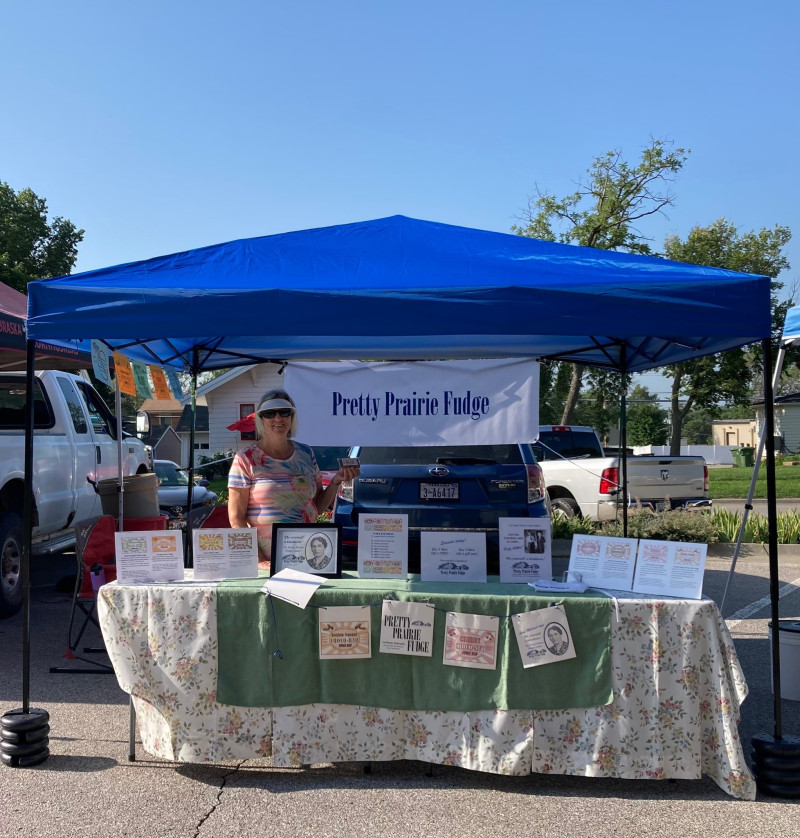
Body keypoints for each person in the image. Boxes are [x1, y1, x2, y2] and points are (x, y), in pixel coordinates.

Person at [227, 388, 360, 570]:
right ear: (260, 419)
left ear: (292, 417)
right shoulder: (245, 458)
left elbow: (316, 506)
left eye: (284, 412)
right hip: (265, 563)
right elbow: (236, 518)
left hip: (307, 558)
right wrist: (258, 560)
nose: (278, 418)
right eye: (270, 413)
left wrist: (336, 480)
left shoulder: (306, 453)